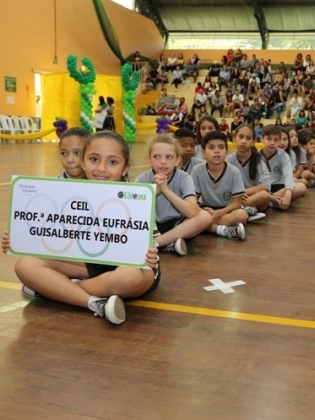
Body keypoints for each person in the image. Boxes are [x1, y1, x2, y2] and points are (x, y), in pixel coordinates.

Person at [4, 131, 161, 324]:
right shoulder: (70, 194)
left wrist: (151, 254)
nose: (102, 168)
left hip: (129, 266)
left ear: (125, 168)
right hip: (87, 262)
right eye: (94, 159)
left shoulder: (137, 198)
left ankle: (60, 289)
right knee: (25, 265)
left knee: (130, 278)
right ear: (83, 162)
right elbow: (50, 235)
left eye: (112, 162)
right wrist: (19, 240)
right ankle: (94, 302)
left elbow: (148, 245)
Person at [136, 135, 212, 256]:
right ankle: (168, 244)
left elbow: (192, 212)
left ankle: (156, 243)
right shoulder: (142, 179)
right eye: (156, 156)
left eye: (169, 157)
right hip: (152, 227)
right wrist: (153, 193)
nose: (163, 161)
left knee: (205, 217)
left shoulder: (184, 178)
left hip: (178, 227)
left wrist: (165, 190)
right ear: (149, 160)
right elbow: (134, 212)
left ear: (177, 160)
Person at [190, 131, 249, 240]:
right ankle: (223, 230)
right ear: (203, 152)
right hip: (206, 210)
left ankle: (206, 226)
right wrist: (201, 211)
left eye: (221, 147)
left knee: (242, 215)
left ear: (226, 152)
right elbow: (193, 200)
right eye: (211, 148)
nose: (217, 151)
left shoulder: (234, 171)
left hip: (227, 210)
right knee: (189, 215)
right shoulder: (197, 170)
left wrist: (219, 213)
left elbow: (237, 203)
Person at [226, 124, 271, 220]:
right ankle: (246, 211)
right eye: (241, 137)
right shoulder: (229, 159)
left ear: (253, 141)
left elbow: (266, 185)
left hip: (250, 197)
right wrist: (237, 194)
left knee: (265, 196)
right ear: (234, 139)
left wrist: (243, 192)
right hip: (234, 197)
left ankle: (241, 210)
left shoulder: (258, 158)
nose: (243, 141)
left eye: (248, 138)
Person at [260, 125, 306, 210]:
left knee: (301, 187)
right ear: (262, 139)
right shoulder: (256, 155)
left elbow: (288, 176)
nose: (272, 143)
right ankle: (271, 200)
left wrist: (288, 194)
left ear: (279, 141)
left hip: (280, 187)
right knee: (261, 194)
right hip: (263, 188)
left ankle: (269, 201)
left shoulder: (284, 155)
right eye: (269, 139)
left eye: (276, 140)